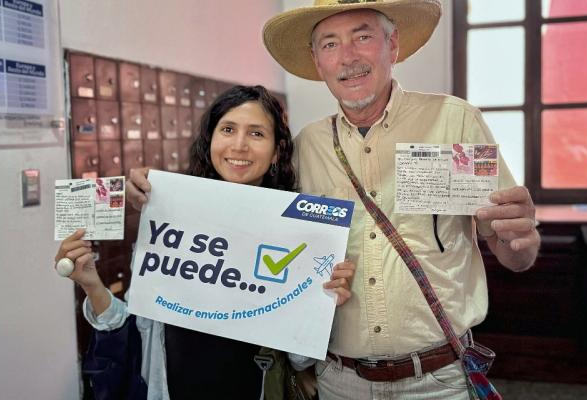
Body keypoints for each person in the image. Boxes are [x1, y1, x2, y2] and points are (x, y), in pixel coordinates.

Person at [259, 0, 542, 398]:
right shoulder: (307, 146)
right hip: (339, 381)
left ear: (392, 45)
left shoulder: (454, 121)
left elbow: (514, 254)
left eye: (362, 37)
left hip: (440, 382)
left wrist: (520, 240)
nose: (348, 57)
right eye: (330, 44)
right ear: (317, 62)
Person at [57, 85, 356, 400]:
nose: (239, 145)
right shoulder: (170, 214)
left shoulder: (298, 231)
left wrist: (322, 304)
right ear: (210, 140)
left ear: (276, 153)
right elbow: (135, 325)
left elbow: (300, 359)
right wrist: (91, 284)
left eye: (256, 134)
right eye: (228, 129)